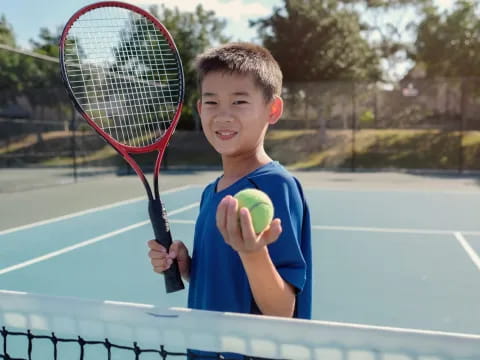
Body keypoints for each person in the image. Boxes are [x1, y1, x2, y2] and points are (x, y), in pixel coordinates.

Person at [147, 43, 312, 356]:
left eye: (239, 101)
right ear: (200, 109)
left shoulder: (277, 186)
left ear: (272, 110)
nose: (223, 115)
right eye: (212, 102)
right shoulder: (212, 191)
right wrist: (187, 266)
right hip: (205, 347)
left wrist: (253, 253)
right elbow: (227, 277)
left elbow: (282, 310)